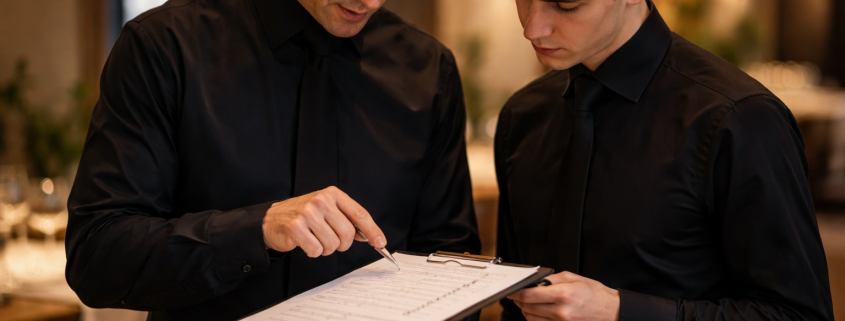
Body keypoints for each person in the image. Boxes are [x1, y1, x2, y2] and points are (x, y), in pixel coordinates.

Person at [65, 0, 480, 320]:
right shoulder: (164, 45)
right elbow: (97, 256)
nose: (369, 2)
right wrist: (255, 230)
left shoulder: (429, 71)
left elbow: (450, 259)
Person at [495, 0, 833, 320]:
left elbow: (795, 314)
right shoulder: (523, 115)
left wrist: (619, 312)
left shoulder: (738, 117)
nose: (532, 28)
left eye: (566, 4)